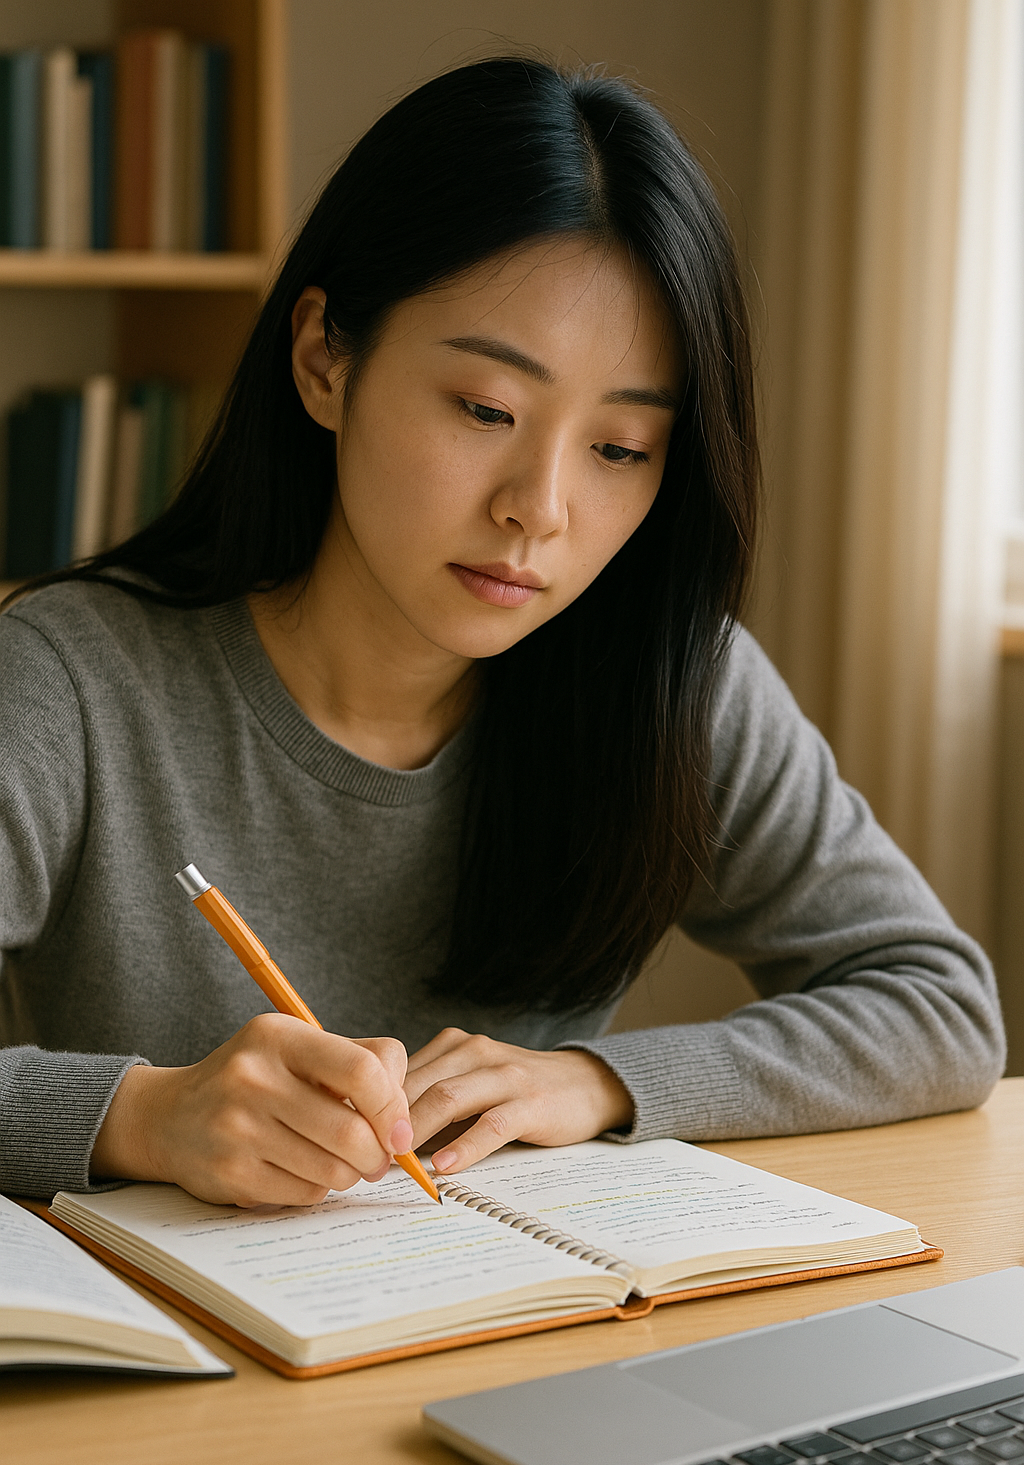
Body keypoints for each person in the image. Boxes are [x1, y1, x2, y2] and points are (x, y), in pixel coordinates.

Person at [0, 58, 1004, 1207]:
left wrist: (596, 1082)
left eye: (620, 448)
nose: (541, 506)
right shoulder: (68, 682)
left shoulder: (668, 680)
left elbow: (936, 1004)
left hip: (525, 1350)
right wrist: (142, 1115)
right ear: (325, 357)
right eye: (486, 410)